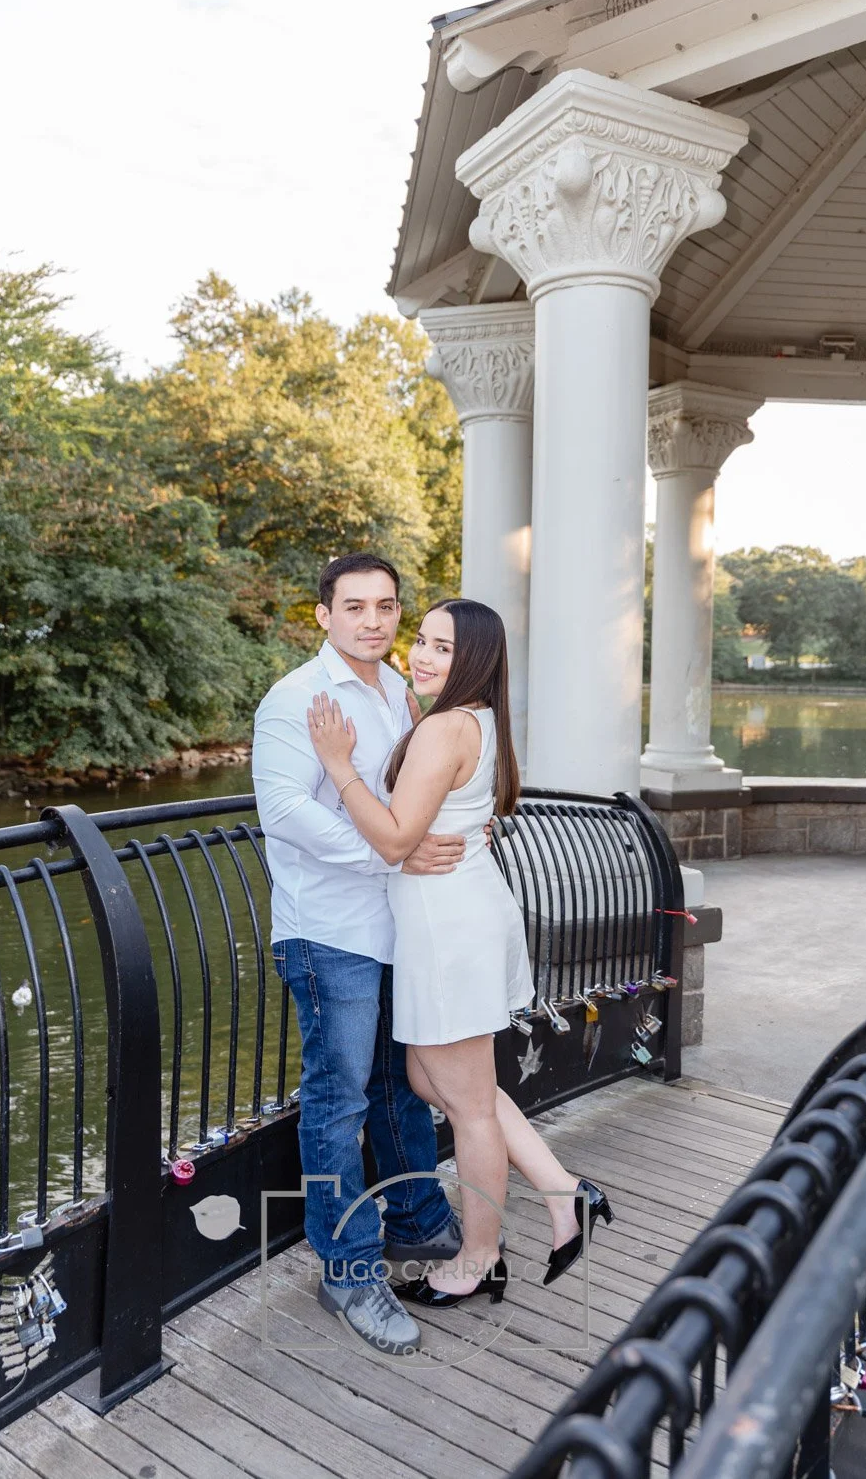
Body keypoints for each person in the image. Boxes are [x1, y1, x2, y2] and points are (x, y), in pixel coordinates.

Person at [307, 597, 613, 1308]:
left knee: (470, 1109)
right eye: (422, 640)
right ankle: (565, 1191)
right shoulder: (477, 720)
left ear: (472, 657)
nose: (421, 655)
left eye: (442, 648)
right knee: (429, 1081)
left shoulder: (445, 728)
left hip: (448, 926)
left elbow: (392, 839)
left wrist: (338, 764)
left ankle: (478, 1259)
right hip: (455, 913)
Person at [252, 553, 471, 1359]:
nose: (373, 621)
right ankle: (347, 1269)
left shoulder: (396, 694)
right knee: (338, 1100)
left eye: (386, 606)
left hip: (392, 927)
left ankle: (417, 1223)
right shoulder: (296, 699)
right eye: (355, 607)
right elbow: (281, 810)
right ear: (324, 615)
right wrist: (390, 854)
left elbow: (407, 800)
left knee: (400, 1088)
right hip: (328, 931)